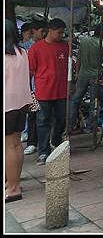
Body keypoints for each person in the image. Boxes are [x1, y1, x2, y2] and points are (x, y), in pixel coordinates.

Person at [28, 18, 69, 166]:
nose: (61, 35)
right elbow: (30, 71)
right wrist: (29, 90)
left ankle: (56, 141)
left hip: (62, 91)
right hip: (43, 91)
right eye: (59, 33)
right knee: (42, 122)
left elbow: (71, 66)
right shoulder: (36, 48)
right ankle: (44, 151)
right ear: (50, 31)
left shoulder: (65, 47)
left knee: (61, 119)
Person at [5, 20, 33, 202]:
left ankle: (13, 187)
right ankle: (13, 182)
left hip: (7, 104)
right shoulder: (22, 52)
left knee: (8, 145)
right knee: (15, 143)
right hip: (21, 103)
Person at [69, 24, 103, 132]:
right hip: (95, 76)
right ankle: (91, 126)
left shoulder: (84, 41)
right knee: (94, 102)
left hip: (82, 74)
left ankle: (70, 125)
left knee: (75, 100)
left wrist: (77, 73)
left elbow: (79, 58)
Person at [23, 20, 48, 156]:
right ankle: (32, 143)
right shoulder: (26, 47)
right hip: (32, 86)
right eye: (42, 30)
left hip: (42, 86)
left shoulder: (45, 45)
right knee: (33, 115)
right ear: (34, 31)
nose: (44, 33)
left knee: (44, 117)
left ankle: (43, 143)